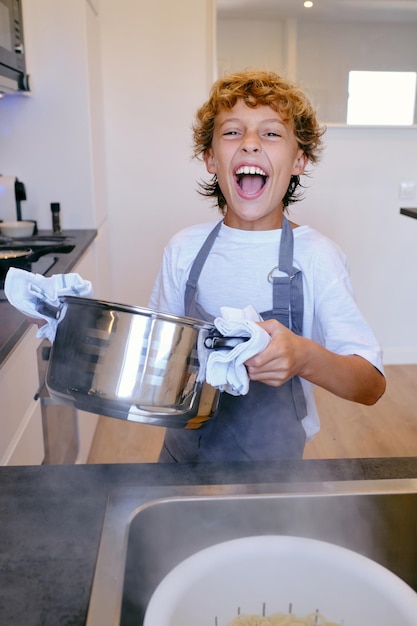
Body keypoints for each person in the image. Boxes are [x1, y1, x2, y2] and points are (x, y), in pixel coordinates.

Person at [148, 69, 386, 463]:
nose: (251, 144)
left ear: (298, 161)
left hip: (275, 478)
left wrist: (305, 356)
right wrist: (70, 328)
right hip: (179, 465)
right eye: (232, 132)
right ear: (210, 158)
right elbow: (155, 362)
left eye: (271, 133)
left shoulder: (317, 257)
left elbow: (370, 386)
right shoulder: (183, 251)